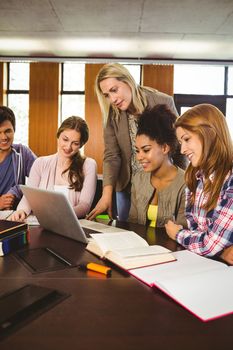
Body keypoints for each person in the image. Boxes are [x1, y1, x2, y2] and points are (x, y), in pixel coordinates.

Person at [87, 63, 186, 221]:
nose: (112, 99)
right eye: (106, 95)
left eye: (114, 90)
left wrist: (183, 182)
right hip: (127, 184)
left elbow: (179, 144)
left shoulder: (162, 101)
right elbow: (112, 155)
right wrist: (106, 195)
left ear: (128, 81)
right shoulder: (111, 113)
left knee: (161, 225)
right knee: (129, 229)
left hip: (160, 180)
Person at [165, 104, 233, 259]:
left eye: (187, 139)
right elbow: (197, 231)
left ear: (209, 134)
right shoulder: (196, 178)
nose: (182, 150)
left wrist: (178, 234)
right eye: (181, 142)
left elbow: (209, 245)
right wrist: (221, 252)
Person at [11, 116, 97, 221]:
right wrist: (22, 210)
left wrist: (60, 215)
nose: (68, 147)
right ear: (58, 135)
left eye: (75, 143)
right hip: (43, 224)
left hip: (72, 224)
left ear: (81, 145)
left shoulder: (89, 165)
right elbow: (29, 197)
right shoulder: (40, 163)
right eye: (65, 139)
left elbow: (84, 206)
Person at [128, 104, 187, 228]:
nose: (139, 157)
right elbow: (132, 223)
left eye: (146, 150)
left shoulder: (186, 183)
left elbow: (183, 231)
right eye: (137, 151)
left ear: (165, 147)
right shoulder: (138, 179)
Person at [0, 106, 36, 210]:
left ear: (14, 130)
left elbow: (42, 177)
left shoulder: (22, 152)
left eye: (8, 131)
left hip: (16, 216)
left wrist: (17, 190)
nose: (4, 137)